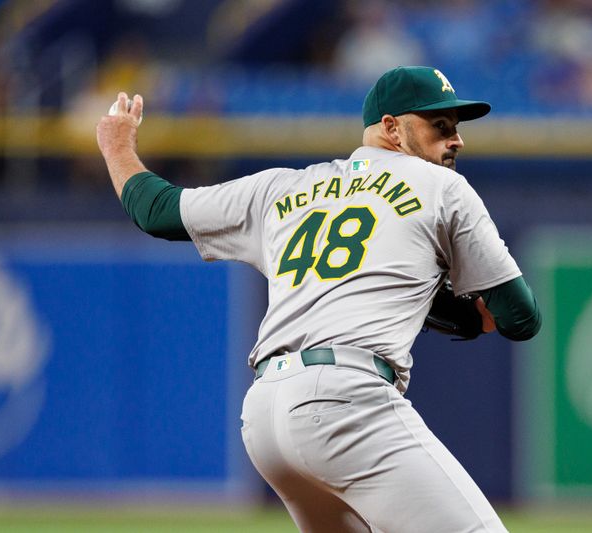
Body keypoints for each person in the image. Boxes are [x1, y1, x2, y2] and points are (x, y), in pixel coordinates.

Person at [96, 65, 541, 533]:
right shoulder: (442, 187)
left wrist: (116, 143)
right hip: (347, 402)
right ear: (391, 128)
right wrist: (446, 299)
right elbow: (519, 318)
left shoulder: (281, 188)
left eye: (455, 129)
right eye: (440, 127)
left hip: (266, 416)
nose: (456, 140)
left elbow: (157, 210)